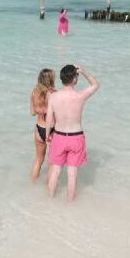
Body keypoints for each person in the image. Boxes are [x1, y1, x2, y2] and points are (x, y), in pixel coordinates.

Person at [46, 64, 100, 201]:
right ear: (74, 79)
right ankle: (70, 203)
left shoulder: (53, 97)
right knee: (72, 174)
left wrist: (47, 135)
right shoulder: (80, 96)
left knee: (56, 171)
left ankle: (49, 200)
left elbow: (49, 119)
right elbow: (95, 84)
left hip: (59, 136)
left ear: (62, 79)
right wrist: (83, 71)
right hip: (76, 137)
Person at [30, 68, 57, 182]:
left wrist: (41, 110)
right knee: (53, 163)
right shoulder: (54, 94)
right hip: (52, 130)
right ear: (51, 79)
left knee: (38, 160)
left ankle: (33, 185)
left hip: (39, 128)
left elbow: (32, 112)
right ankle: (48, 191)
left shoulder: (34, 93)